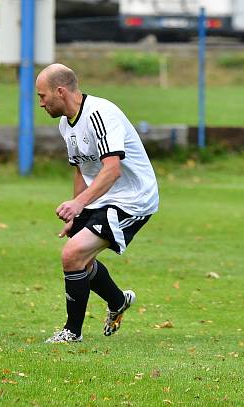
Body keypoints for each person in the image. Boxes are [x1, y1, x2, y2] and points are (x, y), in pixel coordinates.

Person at [35, 63, 159, 343]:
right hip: (102, 196)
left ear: (60, 91)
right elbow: (82, 169)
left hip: (132, 199)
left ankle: (72, 332)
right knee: (80, 260)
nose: (40, 103)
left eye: (42, 96)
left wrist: (79, 204)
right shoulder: (65, 124)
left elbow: (112, 169)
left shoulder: (101, 114)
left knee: (72, 255)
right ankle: (118, 301)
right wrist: (75, 213)